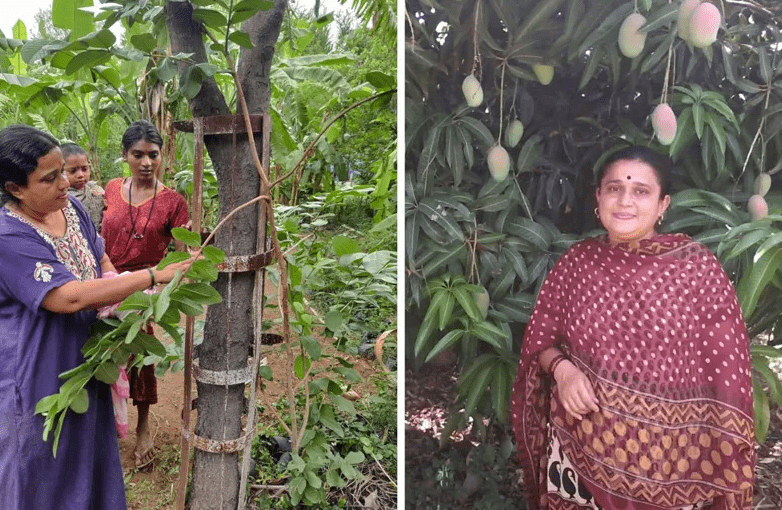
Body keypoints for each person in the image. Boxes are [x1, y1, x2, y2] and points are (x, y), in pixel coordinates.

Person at [510, 146, 755, 510]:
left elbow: (728, 375)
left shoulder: (696, 271)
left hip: (674, 467)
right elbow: (541, 341)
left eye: (641, 191)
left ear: (662, 204)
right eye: (614, 188)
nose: (625, 201)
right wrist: (562, 372)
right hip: (580, 456)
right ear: (599, 197)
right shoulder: (576, 265)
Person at [0, 124, 191, 509]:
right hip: (39, 369)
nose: (64, 184)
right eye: (50, 178)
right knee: (42, 459)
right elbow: (66, 297)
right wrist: (151, 276)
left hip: (86, 359)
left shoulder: (67, 208)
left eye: (64, 173)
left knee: (87, 449)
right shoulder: (8, 236)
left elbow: (99, 257)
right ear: (15, 188)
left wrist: (123, 298)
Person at [101, 119, 190, 469]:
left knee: (140, 358)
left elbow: (185, 251)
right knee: (99, 354)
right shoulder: (109, 189)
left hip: (143, 291)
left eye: (153, 154)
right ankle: (104, 427)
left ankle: (142, 427)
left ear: (161, 155)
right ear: (125, 155)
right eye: (137, 154)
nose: (146, 162)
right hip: (104, 282)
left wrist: (165, 290)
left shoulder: (172, 203)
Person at [61, 142, 105, 232]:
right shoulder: (62, 198)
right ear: (60, 171)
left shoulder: (95, 189)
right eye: (73, 171)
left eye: (84, 169)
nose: (80, 175)